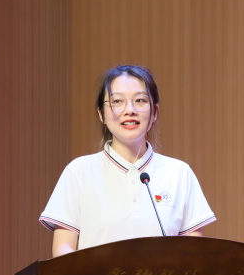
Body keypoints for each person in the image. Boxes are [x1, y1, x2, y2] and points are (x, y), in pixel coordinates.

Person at [39, 65, 216, 257]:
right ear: (101, 113)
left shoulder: (179, 173)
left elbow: (194, 253)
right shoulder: (79, 172)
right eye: (117, 101)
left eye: (140, 100)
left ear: (154, 112)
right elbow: (63, 249)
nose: (129, 110)